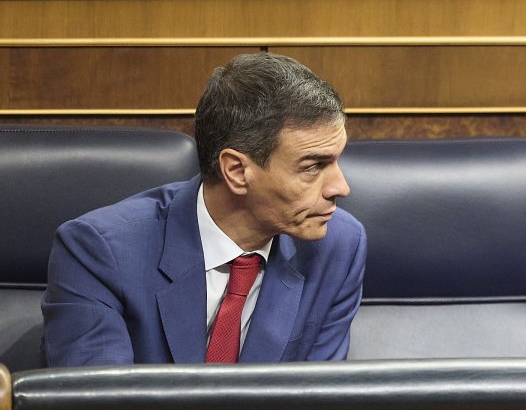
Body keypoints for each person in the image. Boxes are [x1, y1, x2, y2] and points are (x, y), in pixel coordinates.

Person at [42, 53, 366, 365]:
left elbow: (316, 405)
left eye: (336, 161)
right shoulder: (98, 252)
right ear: (237, 172)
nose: (341, 187)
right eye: (313, 167)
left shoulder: (337, 246)